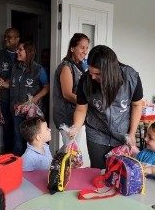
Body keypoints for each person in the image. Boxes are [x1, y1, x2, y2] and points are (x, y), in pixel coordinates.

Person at [68, 45, 145, 169]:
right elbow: (81, 109)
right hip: (96, 133)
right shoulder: (86, 80)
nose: (93, 77)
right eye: (91, 72)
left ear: (109, 71)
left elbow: (137, 105)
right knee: (98, 171)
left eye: (97, 74)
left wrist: (131, 134)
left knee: (119, 171)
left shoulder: (131, 78)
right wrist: (75, 127)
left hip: (121, 134)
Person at [52, 33, 90, 166]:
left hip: (76, 114)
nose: (85, 51)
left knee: (71, 147)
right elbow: (67, 94)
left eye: (86, 48)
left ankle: (55, 166)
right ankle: (63, 172)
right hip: (65, 115)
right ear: (72, 48)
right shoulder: (66, 67)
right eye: (82, 47)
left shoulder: (81, 67)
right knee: (72, 150)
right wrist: (86, 103)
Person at [9, 40, 49, 156]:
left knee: (31, 137)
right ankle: (17, 165)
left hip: (31, 111)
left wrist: (35, 98)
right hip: (16, 108)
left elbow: (47, 87)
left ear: (28, 52)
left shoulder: (38, 69)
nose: (17, 52)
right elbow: (11, 84)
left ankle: (32, 162)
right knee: (17, 136)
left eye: (20, 50)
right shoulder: (15, 67)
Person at [0, 28, 20, 154]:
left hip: (19, 98)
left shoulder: (22, 53)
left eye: (9, 37)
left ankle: (18, 154)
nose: (6, 39)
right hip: (4, 96)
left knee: (18, 125)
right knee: (7, 125)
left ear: (17, 39)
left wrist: (10, 83)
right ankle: (8, 153)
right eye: (5, 36)